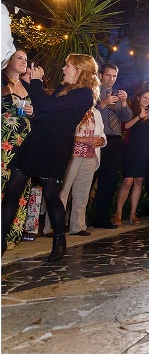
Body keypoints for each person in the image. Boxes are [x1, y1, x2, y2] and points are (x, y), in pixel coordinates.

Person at [1, 54, 98, 261]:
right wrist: (32, 106)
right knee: (12, 192)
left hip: (54, 148)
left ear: (79, 70)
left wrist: (36, 82)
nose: (64, 69)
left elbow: (47, 106)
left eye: (68, 66)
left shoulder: (84, 94)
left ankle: (59, 241)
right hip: (35, 142)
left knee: (52, 196)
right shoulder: (64, 88)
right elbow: (44, 111)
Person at [44, 105, 106, 236]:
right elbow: (60, 131)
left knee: (82, 193)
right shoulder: (69, 107)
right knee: (62, 191)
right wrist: (83, 139)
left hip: (90, 156)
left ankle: (78, 226)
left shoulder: (96, 112)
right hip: (71, 155)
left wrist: (101, 141)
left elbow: (102, 133)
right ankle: (52, 226)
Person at [91, 62, 133, 229]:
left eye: (114, 76)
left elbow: (126, 117)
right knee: (88, 180)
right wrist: (103, 102)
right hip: (96, 140)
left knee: (109, 182)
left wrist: (123, 103)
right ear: (101, 75)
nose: (111, 78)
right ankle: (73, 220)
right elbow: (89, 113)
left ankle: (101, 218)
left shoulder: (117, 95)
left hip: (115, 140)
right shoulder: (93, 91)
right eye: (108, 75)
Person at [1, 49, 37, 248]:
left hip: (25, 145)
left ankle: (10, 235)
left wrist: (33, 112)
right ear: (8, 61)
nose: (24, 61)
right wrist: (7, 91)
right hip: (4, 144)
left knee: (19, 192)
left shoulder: (28, 86)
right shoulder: (2, 81)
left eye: (25, 58)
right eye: (19, 58)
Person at [114, 90, 149, 226]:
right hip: (131, 149)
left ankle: (133, 213)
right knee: (127, 181)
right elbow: (124, 127)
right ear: (138, 98)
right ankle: (118, 213)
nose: (147, 100)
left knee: (139, 181)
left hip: (145, 151)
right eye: (144, 97)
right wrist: (139, 116)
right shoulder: (131, 111)